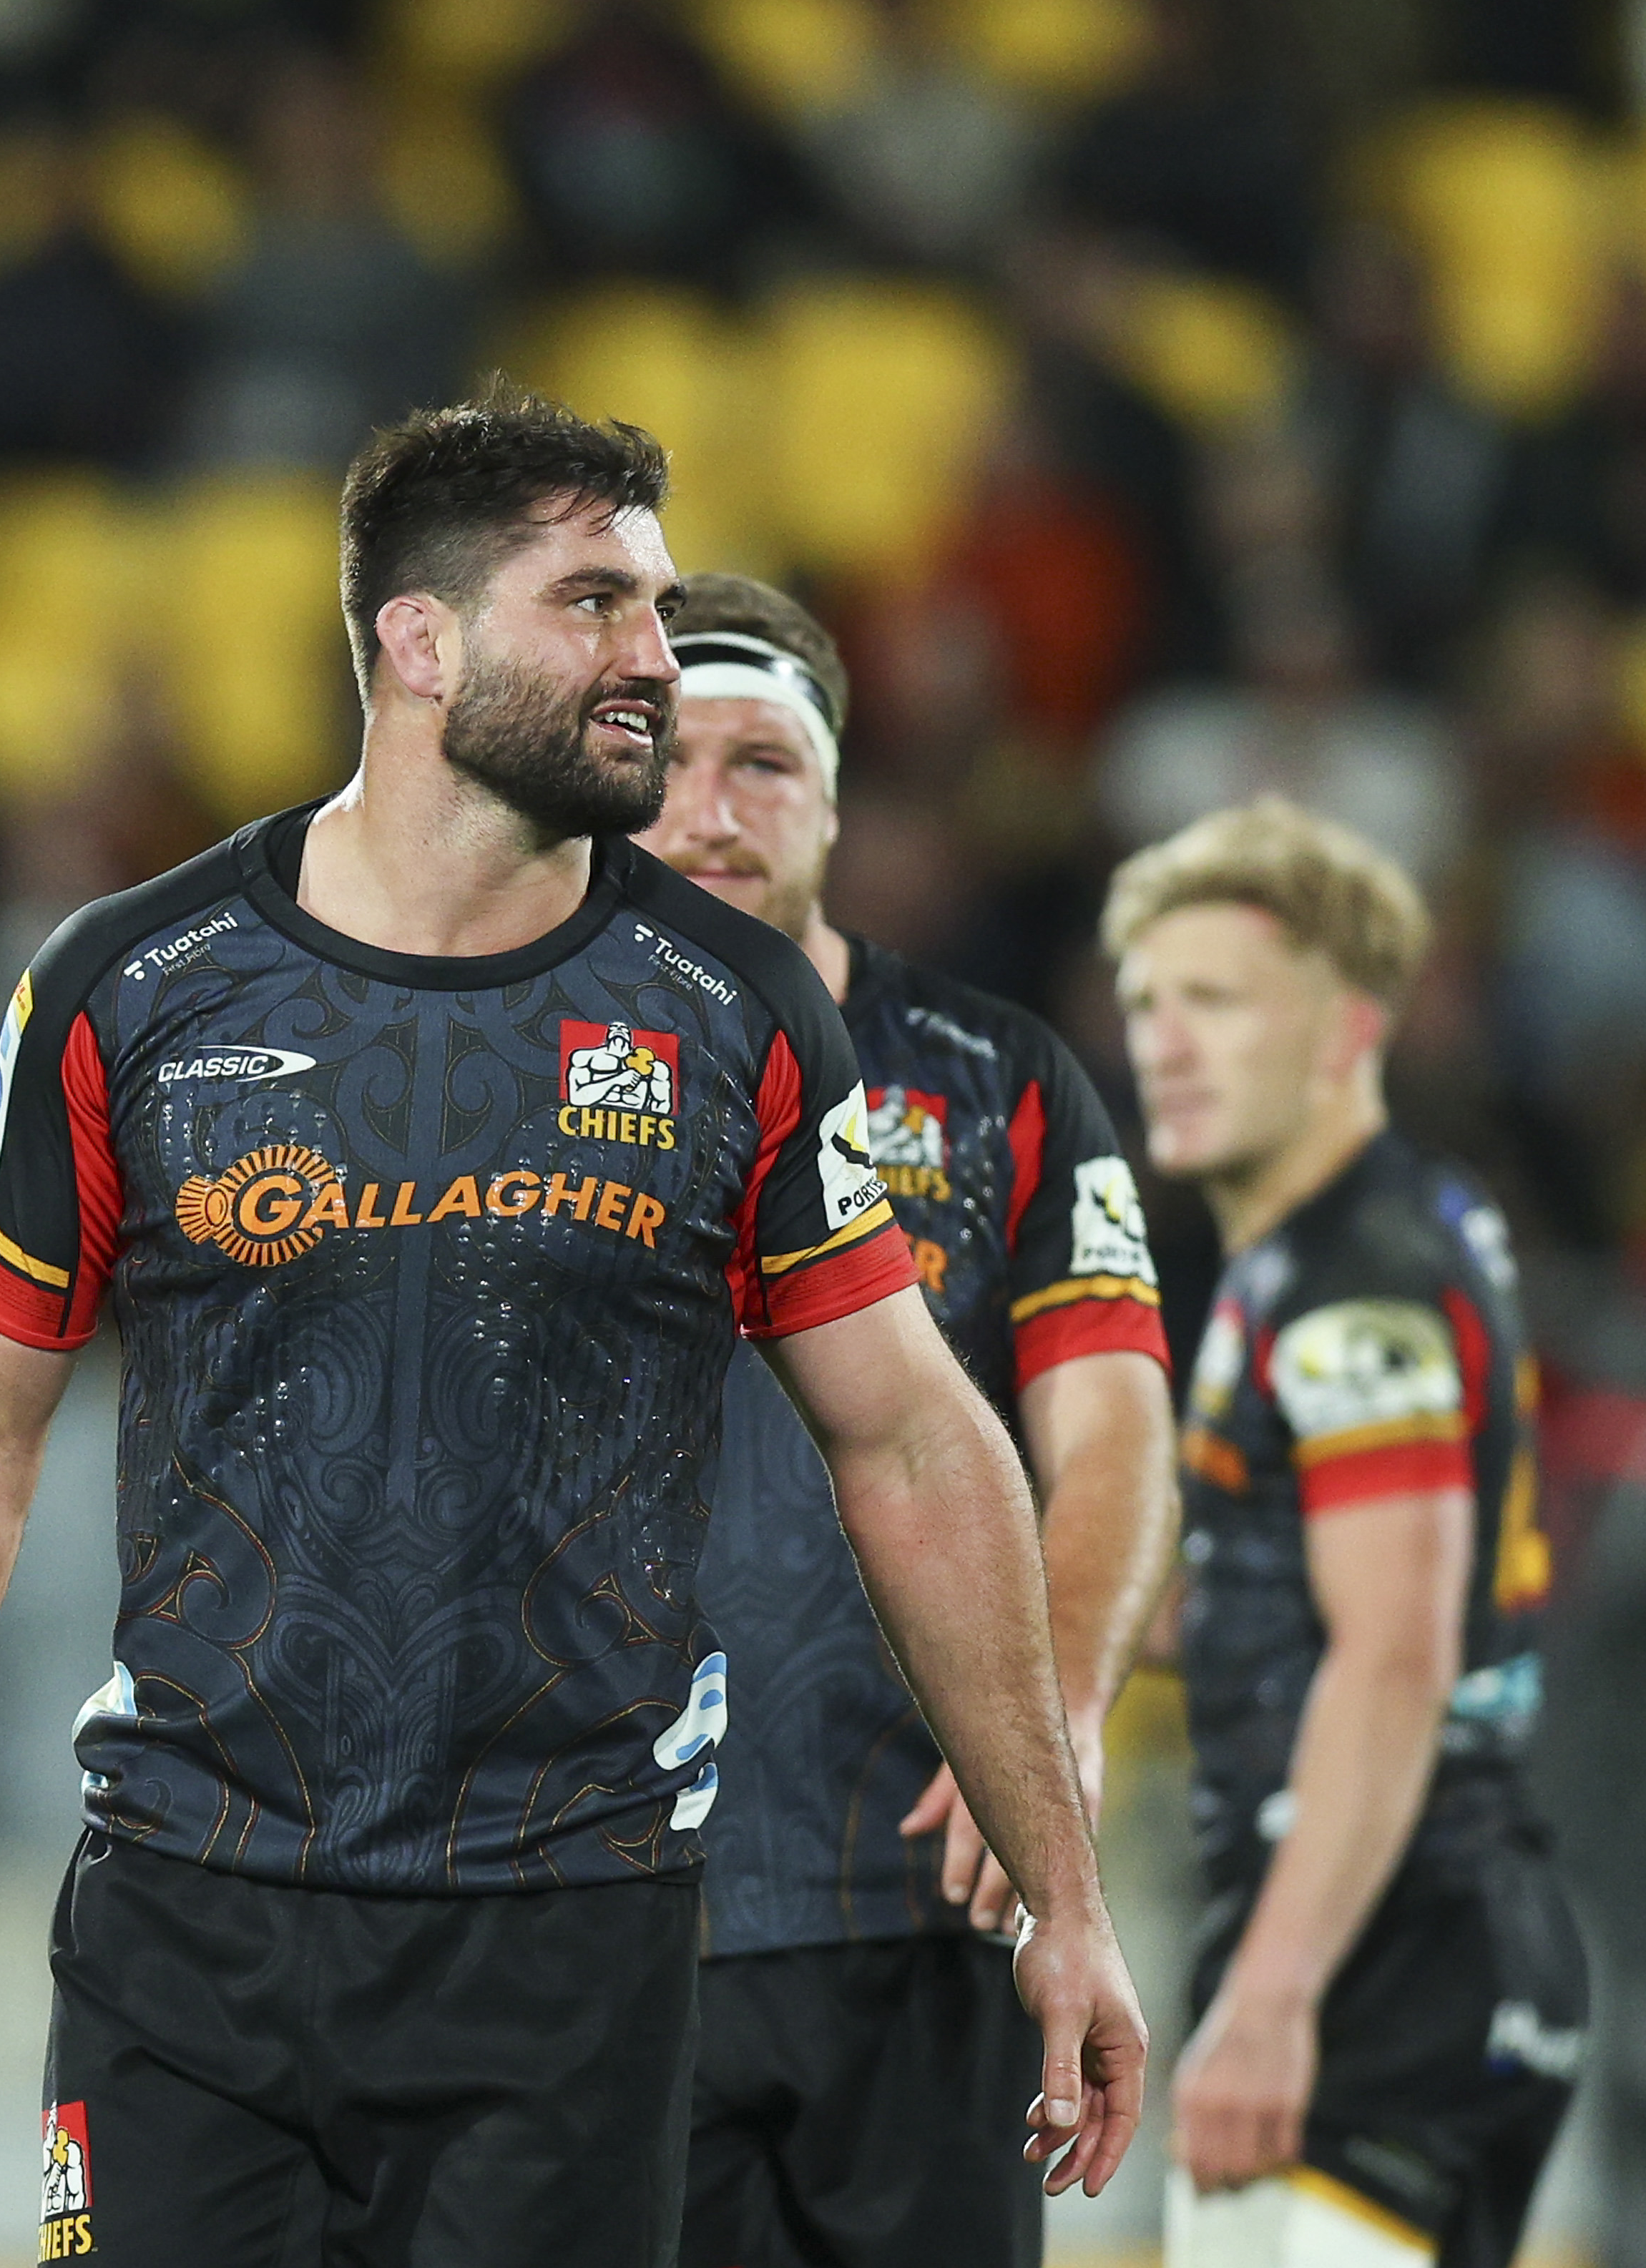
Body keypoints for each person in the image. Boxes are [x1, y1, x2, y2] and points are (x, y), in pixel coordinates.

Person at [0, 383, 1150, 2268]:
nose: (653, 661)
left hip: (572, 1950)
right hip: (192, 1924)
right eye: (594, 604)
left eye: (657, 610)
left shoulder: (733, 1015)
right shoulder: (129, 987)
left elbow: (909, 1439)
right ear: (417, 644)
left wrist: (1065, 1891)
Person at [646, 574, 1180, 2268]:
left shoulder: (997, 1081)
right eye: (666, 759)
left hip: (919, 1902)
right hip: (584, 1918)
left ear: (835, 802)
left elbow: (1111, 1431)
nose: (712, 813)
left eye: (764, 767)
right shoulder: (492, 1066)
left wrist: (1068, 1702)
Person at [1107, 798, 1586, 2268]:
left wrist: (1272, 1994)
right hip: (1410, 1927)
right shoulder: (1336, 1243)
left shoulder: (1351, 1286)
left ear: (1345, 1031)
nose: (1164, 1043)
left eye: (1218, 1002)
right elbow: (1291, 1603)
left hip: (1386, 1955)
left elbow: (1391, 1655)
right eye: (1144, 1003)